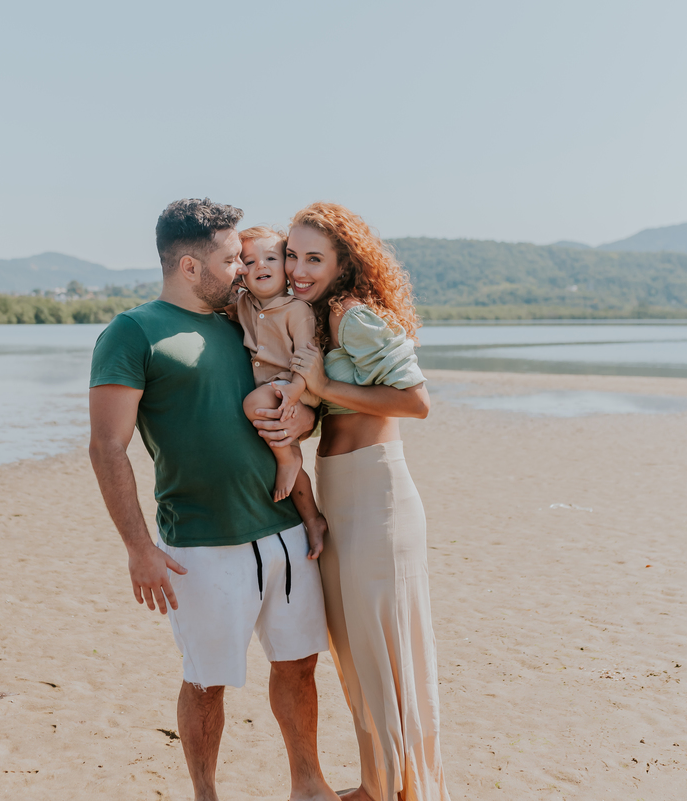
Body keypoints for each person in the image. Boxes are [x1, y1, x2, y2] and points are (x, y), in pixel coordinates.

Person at [87, 198, 339, 801]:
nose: (244, 270)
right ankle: (206, 794)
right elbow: (107, 447)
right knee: (207, 682)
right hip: (200, 544)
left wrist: (303, 417)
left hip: (284, 531)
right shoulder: (133, 331)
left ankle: (308, 786)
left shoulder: (243, 320)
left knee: (299, 663)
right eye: (231, 260)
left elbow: (293, 391)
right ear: (192, 267)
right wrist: (137, 548)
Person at [286, 202, 450, 801]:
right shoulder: (320, 318)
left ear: (343, 261)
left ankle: (389, 788)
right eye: (291, 256)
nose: (298, 269)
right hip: (346, 493)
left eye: (313, 258)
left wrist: (325, 386)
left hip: (376, 496)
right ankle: (388, 782)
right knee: (359, 648)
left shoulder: (353, 316)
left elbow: (416, 401)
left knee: (380, 651)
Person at [234, 225, 322, 511]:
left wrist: (296, 389)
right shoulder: (244, 304)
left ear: (286, 268)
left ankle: (289, 459)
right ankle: (311, 517)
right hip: (275, 387)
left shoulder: (296, 310)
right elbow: (222, 305)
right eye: (249, 261)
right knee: (286, 458)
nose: (261, 264)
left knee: (254, 403)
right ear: (241, 272)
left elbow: (307, 356)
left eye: (271, 258)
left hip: (296, 384)